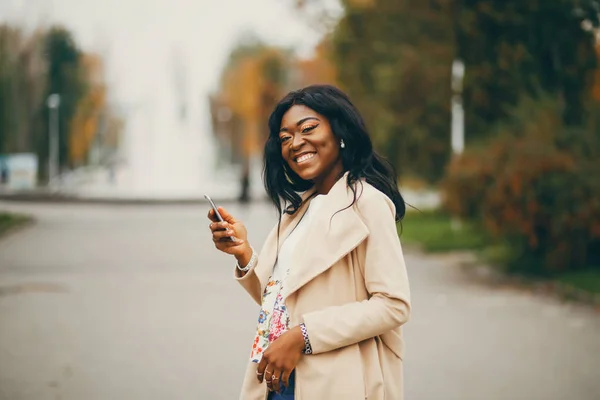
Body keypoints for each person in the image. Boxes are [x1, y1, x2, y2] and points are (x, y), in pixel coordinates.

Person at [208, 85, 411, 400]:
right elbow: (281, 300)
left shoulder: (368, 203)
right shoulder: (298, 210)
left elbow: (393, 305)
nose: (295, 143)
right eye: (285, 138)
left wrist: (303, 335)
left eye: (308, 129)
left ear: (339, 131)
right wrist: (244, 254)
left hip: (338, 383)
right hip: (279, 378)